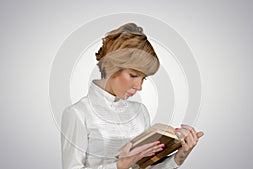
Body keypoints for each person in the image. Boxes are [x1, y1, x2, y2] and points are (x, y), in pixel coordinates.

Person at [61, 23, 204, 169]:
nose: (139, 87)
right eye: (133, 75)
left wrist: (178, 157)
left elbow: (144, 167)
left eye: (143, 78)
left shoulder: (140, 112)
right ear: (111, 66)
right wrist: (119, 165)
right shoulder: (78, 113)